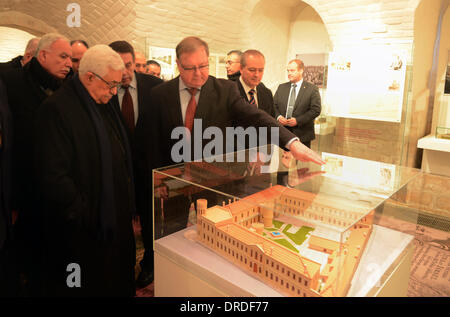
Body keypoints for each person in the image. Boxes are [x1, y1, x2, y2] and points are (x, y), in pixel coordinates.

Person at [134, 36, 324, 241]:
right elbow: (148, 142)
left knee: (213, 233)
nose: (198, 74)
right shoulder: (159, 95)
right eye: (190, 68)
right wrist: (159, 181)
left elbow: (256, 117)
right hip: (171, 184)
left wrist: (291, 142)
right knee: (172, 233)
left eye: (203, 66)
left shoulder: (224, 90)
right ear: (178, 64)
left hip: (211, 181)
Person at [33, 44, 136, 296]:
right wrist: (85, 213)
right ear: (90, 76)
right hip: (84, 230)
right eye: (111, 84)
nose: (114, 91)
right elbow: (54, 176)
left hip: (113, 220)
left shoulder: (103, 100)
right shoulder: (57, 109)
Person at [0, 33, 72, 295]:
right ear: (43, 55)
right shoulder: (11, 81)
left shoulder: (68, 86)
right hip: (24, 183)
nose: (69, 64)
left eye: (71, 58)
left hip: (57, 183)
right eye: (63, 57)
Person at [108, 40, 163, 289]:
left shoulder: (155, 88)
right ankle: (121, 266)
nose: (125, 72)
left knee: (152, 220)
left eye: (128, 65)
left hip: (149, 168)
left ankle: (150, 264)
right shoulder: (104, 90)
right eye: (118, 66)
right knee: (119, 221)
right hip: (116, 171)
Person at [273, 59, 321, 148]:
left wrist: (298, 121)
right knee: (283, 160)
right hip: (282, 134)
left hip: (302, 135)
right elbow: (273, 106)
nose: (289, 73)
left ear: (301, 71)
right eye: (288, 71)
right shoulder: (281, 87)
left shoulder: (312, 89)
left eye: (292, 70)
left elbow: (316, 110)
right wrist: (278, 117)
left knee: (301, 162)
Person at [236, 49, 274, 117]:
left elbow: (271, 123)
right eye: (252, 70)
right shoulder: (230, 92)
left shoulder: (267, 93)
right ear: (241, 69)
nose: (257, 75)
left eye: (260, 70)